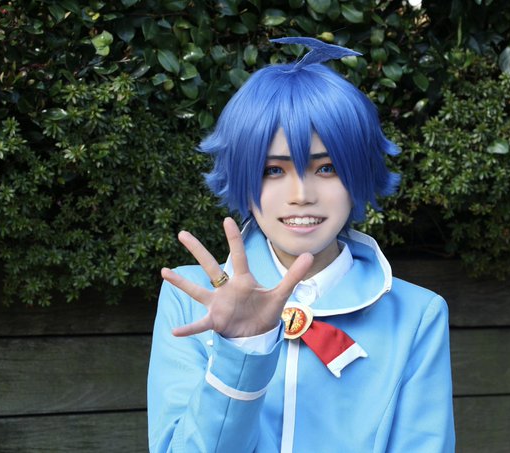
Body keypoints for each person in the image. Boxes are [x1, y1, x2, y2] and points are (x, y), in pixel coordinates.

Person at [147, 37, 455, 453]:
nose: (301, 195)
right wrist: (243, 350)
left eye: (326, 168)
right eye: (273, 170)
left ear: (358, 174)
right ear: (243, 178)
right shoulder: (190, 299)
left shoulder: (417, 315)